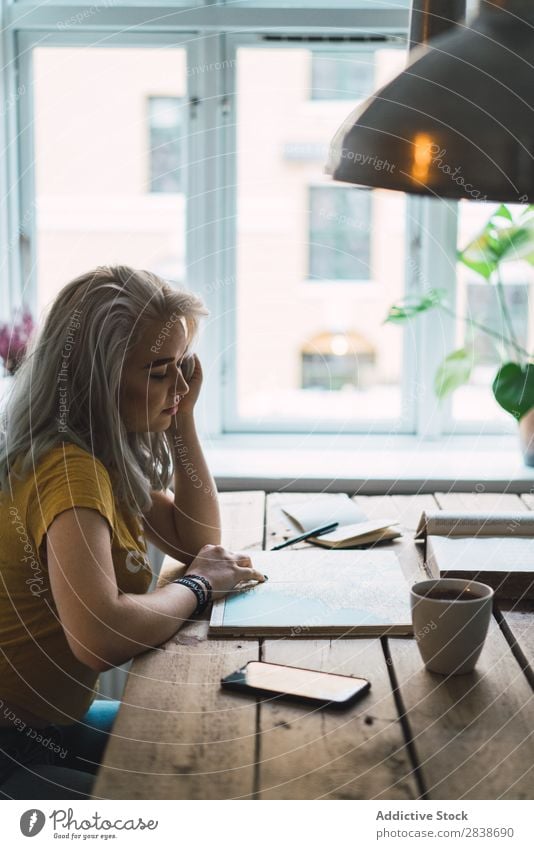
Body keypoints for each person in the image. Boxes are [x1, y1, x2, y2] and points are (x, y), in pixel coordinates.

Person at [0, 265, 265, 799]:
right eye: (159, 370)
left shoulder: (100, 450)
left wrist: (181, 415)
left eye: (183, 366)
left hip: (47, 727)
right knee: (194, 797)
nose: (179, 384)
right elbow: (100, 636)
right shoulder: (68, 467)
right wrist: (198, 587)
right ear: (95, 377)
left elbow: (195, 538)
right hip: (12, 748)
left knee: (224, 744)